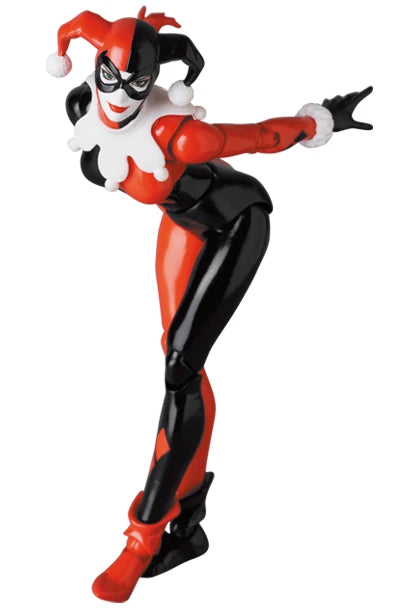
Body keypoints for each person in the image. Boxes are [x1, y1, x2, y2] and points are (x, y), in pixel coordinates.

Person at [47, 6, 373, 602]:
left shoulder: (182, 137)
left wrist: (319, 119)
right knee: (182, 368)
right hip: (181, 222)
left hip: (236, 224)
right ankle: (189, 527)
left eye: (137, 83)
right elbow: (77, 28)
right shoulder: (82, 107)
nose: (118, 96)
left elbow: (262, 137)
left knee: (180, 366)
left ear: (155, 80)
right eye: (109, 77)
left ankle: (143, 538)